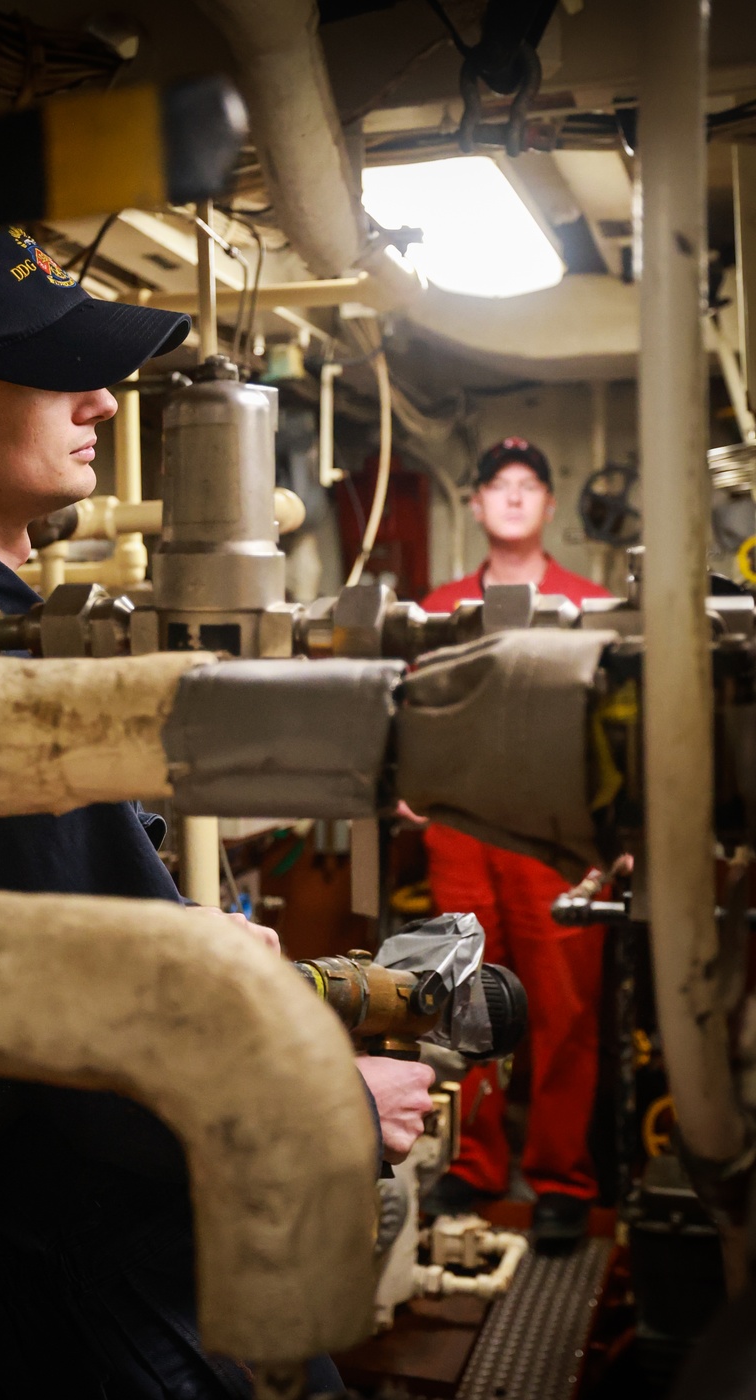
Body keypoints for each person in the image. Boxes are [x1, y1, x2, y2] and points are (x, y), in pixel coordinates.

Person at [0, 226, 435, 1398]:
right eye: (57, 372)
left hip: (60, 1243)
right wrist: (329, 1099)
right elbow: (78, 1043)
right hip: (101, 1267)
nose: (102, 398)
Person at [422, 438, 612, 1253]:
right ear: (474, 503)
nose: (510, 497)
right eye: (496, 484)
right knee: (462, 998)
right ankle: (474, 1160)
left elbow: (617, 729)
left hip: (556, 836)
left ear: (547, 503)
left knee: (566, 1009)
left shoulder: (593, 604)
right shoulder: (433, 608)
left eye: (526, 484)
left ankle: (563, 1178)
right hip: (460, 830)